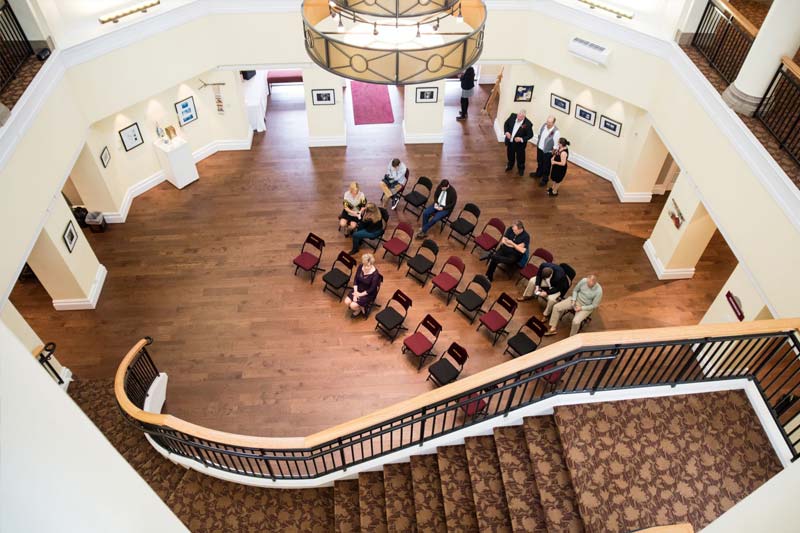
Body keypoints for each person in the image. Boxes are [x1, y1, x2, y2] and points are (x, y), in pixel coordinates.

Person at [530, 116, 560, 185]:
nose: (548, 123)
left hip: (548, 152)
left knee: (546, 166)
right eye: (547, 121)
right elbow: (539, 134)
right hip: (540, 148)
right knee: (539, 162)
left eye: (550, 122)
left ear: (553, 123)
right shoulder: (543, 125)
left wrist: (553, 154)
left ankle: (545, 179)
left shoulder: (556, 132)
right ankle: (538, 173)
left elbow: (556, 145)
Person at [503, 110, 534, 176]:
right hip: (510, 142)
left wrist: (521, 139)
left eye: (520, 117)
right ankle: (510, 165)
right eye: (518, 116)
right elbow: (506, 124)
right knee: (510, 154)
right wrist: (506, 132)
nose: (518, 118)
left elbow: (530, 135)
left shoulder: (528, 124)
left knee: (520, 158)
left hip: (520, 145)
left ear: (524, 117)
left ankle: (521, 169)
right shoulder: (512, 116)